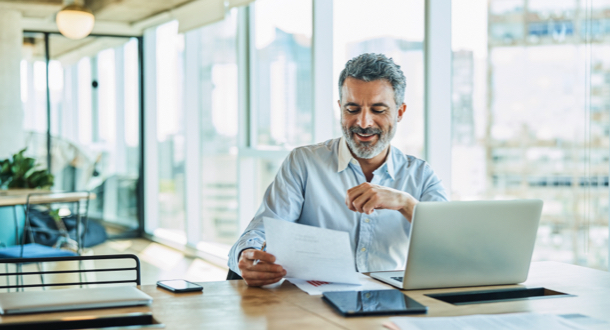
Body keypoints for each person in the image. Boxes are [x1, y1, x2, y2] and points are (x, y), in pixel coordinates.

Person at [228, 53, 449, 287]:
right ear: (340, 108)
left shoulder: (421, 176)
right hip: (311, 308)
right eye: (352, 109)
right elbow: (263, 231)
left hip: (388, 307)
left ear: (400, 112)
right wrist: (248, 255)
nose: (364, 123)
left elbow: (453, 246)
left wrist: (405, 203)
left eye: (378, 110)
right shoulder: (303, 163)